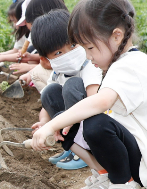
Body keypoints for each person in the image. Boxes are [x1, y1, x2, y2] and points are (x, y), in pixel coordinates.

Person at [32, 0, 147, 189]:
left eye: (89, 48)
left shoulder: (131, 65)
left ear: (116, 36)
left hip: (146, 164)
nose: (88, 56)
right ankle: (105, 175)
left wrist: (52, 125)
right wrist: (55, 121)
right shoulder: (119, 64)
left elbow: (101, 101)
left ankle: (125, 185)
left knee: (95, 123)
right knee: (61, 105)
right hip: (130, 148)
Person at [31, 9, 103, 171]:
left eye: (72, 45)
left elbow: (94, 101)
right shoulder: (58, 73)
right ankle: (72, 147)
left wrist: (64, 121)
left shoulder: (90, 65)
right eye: (58, 52)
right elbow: (45, 107)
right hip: (73, 123)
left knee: (72, 86)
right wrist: (44, 122)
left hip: (95, 123)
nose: (69, 54)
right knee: (50, 92)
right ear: (46, 60)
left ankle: (86, 149)